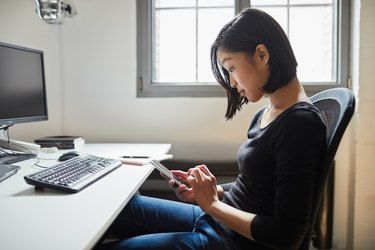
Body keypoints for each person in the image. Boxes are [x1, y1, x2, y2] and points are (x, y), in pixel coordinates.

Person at [97, 8, 327, 250]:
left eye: (230, 68)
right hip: (216, 220)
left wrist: (213, 205)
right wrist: (207, 192)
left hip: (229, 241)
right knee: (115, 208)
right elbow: (254, 190)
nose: (231, 82)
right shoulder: (267, 113)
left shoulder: (300, 125)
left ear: (261, 54)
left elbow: (286, 236)